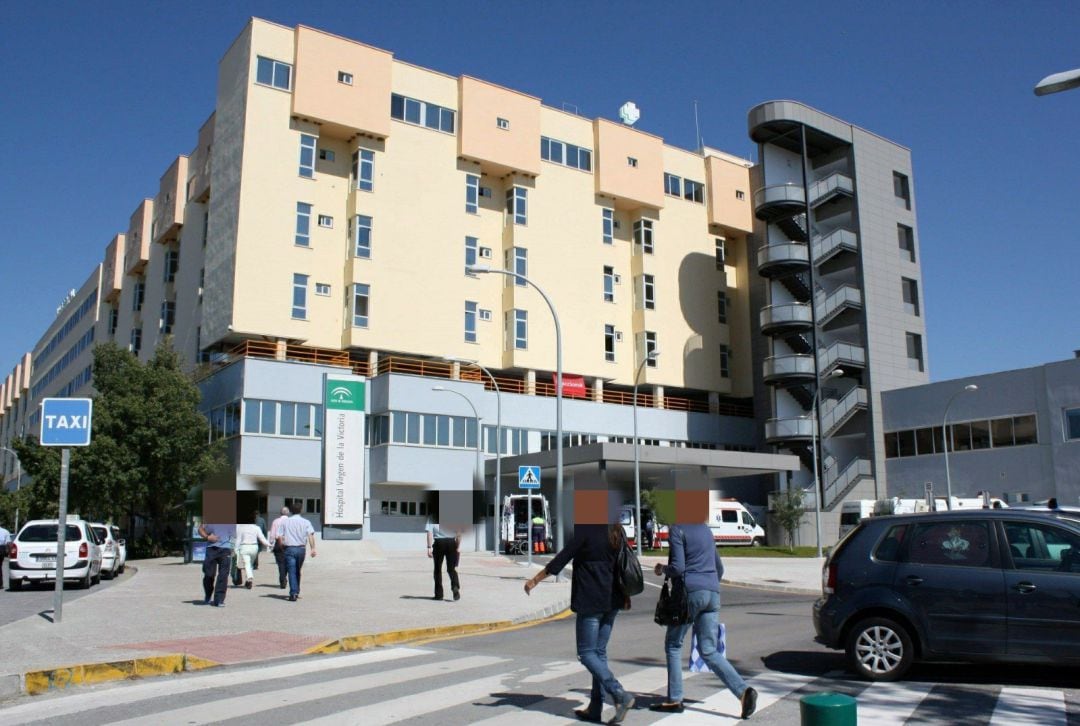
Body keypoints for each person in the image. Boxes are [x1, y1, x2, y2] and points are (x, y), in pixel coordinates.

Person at [524, 523, 635, 724]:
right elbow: (624, 562)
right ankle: (595, 707)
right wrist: (626, 595)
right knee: (599, 654)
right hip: (613, 600)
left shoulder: (586, 529)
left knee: (586, 653)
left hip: (591, 600)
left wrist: (535, 579)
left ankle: (619, 693)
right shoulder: (616, 529)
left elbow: (562, 558)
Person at [650, 517, 757, 719]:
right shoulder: (706, 531)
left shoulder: (678, 529)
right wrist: (707, 586)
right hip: (712, 593)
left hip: (691, 592)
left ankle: (675, 699)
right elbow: (720, 568)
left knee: (673, 644)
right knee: (708, 650)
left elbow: (679, 568)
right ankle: (743, 691)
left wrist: (662, 569)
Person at [280, 509, 316, 602]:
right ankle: (296, 591)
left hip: (289, 549)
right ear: (301, 510)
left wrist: (281, 547)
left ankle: (293, 593)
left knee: (292, 571)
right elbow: (310, 535)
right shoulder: (306, 522)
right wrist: (313, 549)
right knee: (297, 570)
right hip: (301, 549)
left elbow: (280, 536)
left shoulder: (285, 522)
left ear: (291, 511)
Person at [198, 522, 235, 607]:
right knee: (209, 574)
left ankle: (219, 600)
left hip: (226, 548)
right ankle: (208, 594)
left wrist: (234, 548)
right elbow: (200, 529)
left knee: (223, 575)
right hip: (211, 548)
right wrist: (207, 537)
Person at [426, 523, 461, 601]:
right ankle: (455, 586)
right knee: (451, 569)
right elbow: (458, 533)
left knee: (437, 569)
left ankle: (439, 595)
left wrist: (429, 547)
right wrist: (458, 547)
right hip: (451, 543)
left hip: (439, 543)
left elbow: (429, 533)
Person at [235, 519, 271, 589]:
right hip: (254, 547)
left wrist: (235, 549)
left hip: (244, 547)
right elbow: (262, 538)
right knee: (250, 564)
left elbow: (238, 539)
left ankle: (249, 578)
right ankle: (248, 579)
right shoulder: (256, 528)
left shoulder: (241, 527)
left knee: (247, 564)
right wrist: (268, 545)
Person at [268, 507, 291, 589]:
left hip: (278, 543)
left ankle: (282, 579)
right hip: (289, 543)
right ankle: (284, 577)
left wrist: (271, 543)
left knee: (281, 563)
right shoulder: (291, 521)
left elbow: (272, 534)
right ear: (288, 513)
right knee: (288, 562)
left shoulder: (276, 521)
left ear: (280, 513)